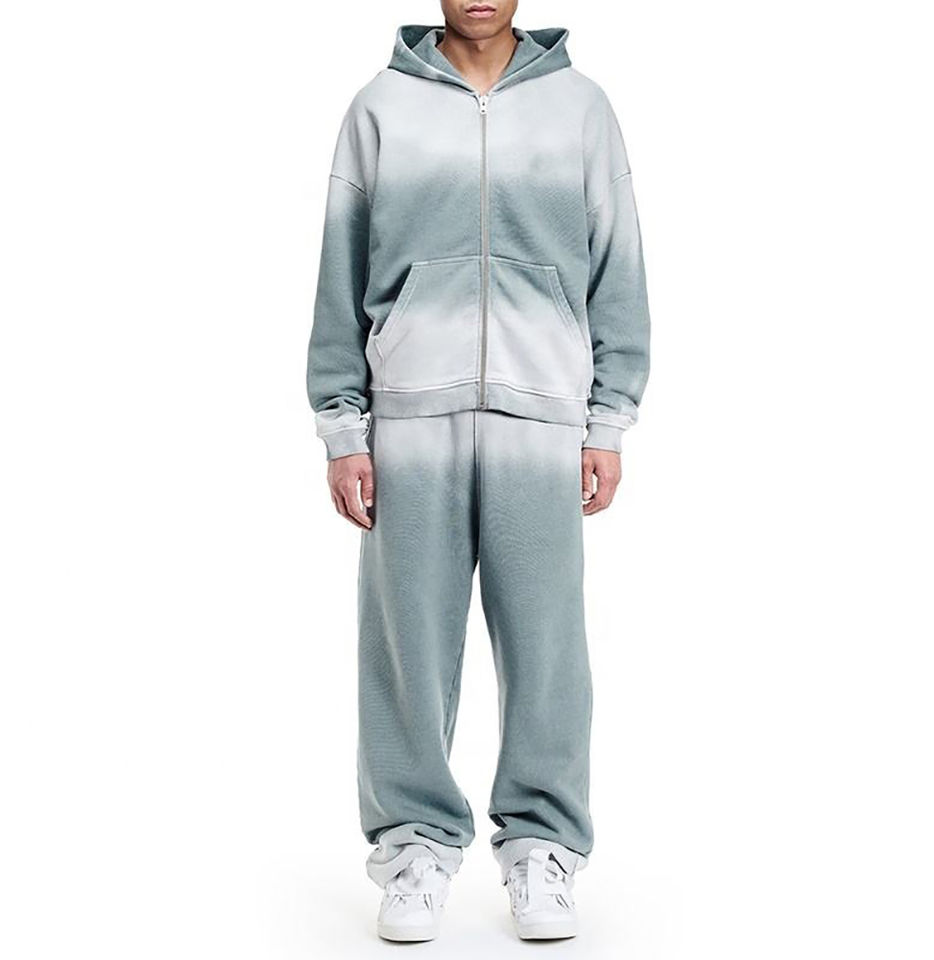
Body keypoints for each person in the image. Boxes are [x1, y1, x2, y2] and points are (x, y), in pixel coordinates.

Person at [306, 0, 651, 942]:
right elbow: (339, 275)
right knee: (405, 651)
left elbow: (618, 266)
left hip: (542, 418)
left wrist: (609, 418)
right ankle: (413, 848)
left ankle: (543, 849)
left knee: (548, 650)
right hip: (409, 418)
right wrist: (343, 428)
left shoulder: (582, 109)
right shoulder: (379, 108)